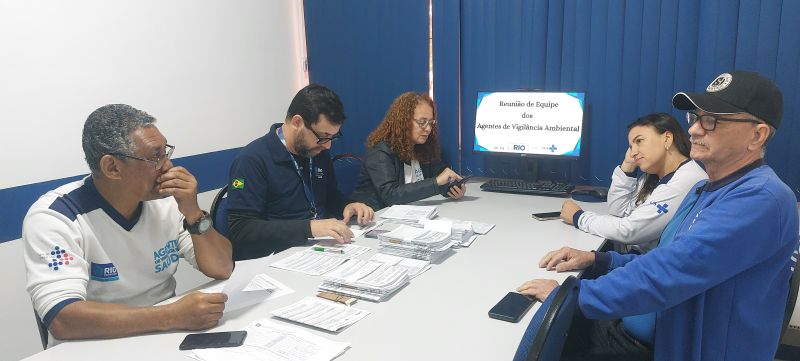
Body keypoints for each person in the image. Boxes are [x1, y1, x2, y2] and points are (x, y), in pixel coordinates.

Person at [517, 71, 799, 361]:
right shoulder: (705, 189)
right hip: (648, 328)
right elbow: (664, 256)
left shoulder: (761, 199)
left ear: (757, 135)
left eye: (711, 121)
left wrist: (569, 296)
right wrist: (599, 260)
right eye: (695, 118)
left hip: (672, 348)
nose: (694, 131)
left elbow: (668, 272)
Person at [23, 104, 234, 343]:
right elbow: (63, 319)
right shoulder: (55, 218)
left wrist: (194, 213)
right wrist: (169, 316)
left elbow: (222, 268)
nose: (168, 167)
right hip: (93, 344)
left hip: (165, 335)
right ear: (112, 167)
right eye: (155, 157)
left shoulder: (165, 202)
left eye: (166, 152)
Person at [227, 84, 375, 261]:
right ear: (297, 122)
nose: (327, 145)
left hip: (317, 250)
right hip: (275, 258)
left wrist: (347, 206)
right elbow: (241, 229)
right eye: (323, 136)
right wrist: (310, 228)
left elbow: (329, 196)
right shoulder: (252, 160)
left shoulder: (317, 152)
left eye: (333, 137)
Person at [560, 113, 707, 253]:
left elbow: (630, 231)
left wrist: (578, 217)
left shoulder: (687, 179)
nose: (632, 152)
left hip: (651, 266)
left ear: (667, 139)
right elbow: (619, 210)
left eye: (639, 141)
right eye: (631, 146)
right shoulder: (654, 176)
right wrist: (627, 167)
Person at [350, 92, 466, 210]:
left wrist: (452, 188)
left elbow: (438, 177)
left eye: (431, 123)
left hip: (409, 215)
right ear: (403, 121)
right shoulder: (379, 150)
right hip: (375, 217)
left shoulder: (422, 146)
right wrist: (437, 182)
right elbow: (390, 195)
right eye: (422, 122)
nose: (428, 129)